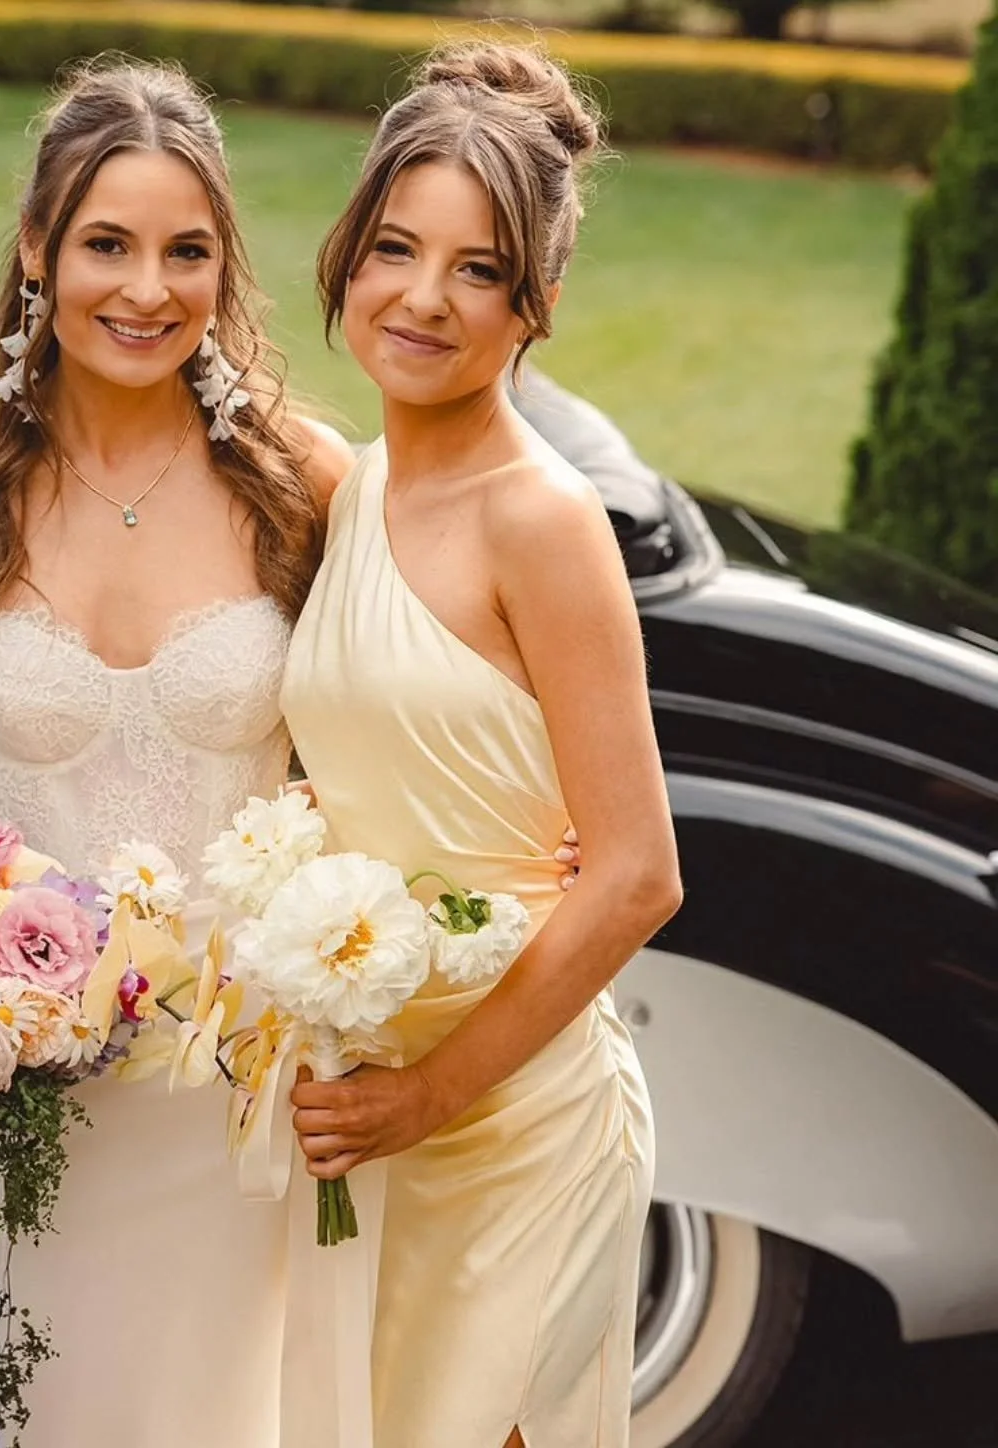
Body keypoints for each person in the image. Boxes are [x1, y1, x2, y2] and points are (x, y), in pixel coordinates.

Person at [0, 59, 353, 1447]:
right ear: (38, 252)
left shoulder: (307, 484)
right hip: (23, 1110)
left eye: (186, 250)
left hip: (242, 1109)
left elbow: (374, 767)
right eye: (107, 244)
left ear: (222, 266)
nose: (148, 289)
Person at [283, 40, 682, 1448]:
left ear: (539, 305)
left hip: (513, 1123)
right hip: (366, 1114)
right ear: (347, 253)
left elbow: (636, 873)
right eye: (395, 247)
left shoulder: (546, 521)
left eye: (479, 270)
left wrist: (431, 1093)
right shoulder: (357, 488)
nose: (421, 297)